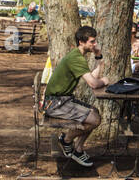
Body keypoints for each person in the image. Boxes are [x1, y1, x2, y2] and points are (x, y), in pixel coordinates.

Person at [43, 25, 111, 166]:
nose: (95, 44)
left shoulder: (78, 56)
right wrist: (104, 81)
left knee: (94, 112)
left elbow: (92, 77)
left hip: (63, 99)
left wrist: (98, 57)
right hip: (55, 103)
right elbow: (93, 83)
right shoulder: (76, 58)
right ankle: (66, 140)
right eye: (92, 41)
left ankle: (78, 149)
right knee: (94, 119)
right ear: (81, 42)